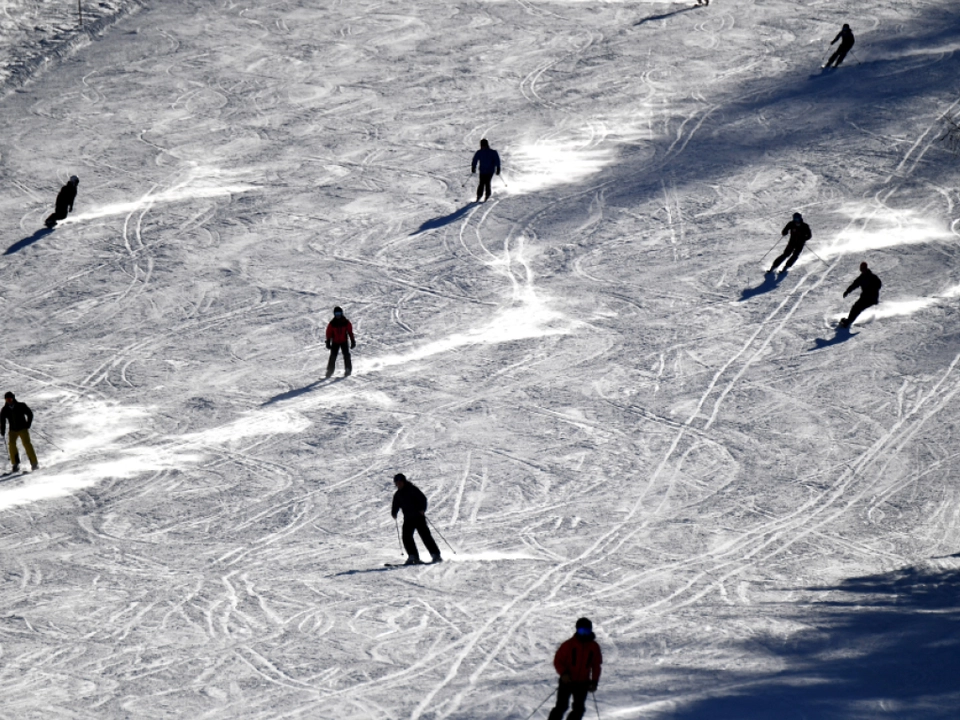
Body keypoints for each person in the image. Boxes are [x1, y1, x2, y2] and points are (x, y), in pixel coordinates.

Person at [547, 618, 603, 720]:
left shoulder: (594, 647)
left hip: (583, 683)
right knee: (561, 707)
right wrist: (563, 674)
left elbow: (596, 665)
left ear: (591, 631)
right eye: (581, 631)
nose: (584, 634)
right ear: (577, 630)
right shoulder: (568, 645)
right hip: (567, 681)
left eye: (587, 631)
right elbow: (558, 661)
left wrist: (594, 681)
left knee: (579, 709)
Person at [391, 473, 442, 565]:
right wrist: (394, 512)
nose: (399, 484)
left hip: (418, 517)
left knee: (425, 536)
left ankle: (436, 555)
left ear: (404, 481)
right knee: (406, 537)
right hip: (408, 519)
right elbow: (395, 504)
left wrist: (422, 509)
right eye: (397, 483)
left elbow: (423, 499)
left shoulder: (412, 489)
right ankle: (413, 556)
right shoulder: (398, 494)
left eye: (400, 482)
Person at [0, 392, 37, 472]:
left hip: (23, 428)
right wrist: (2, 430)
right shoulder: (5, 409)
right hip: (13, 430)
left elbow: (30, 414)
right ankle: (15, 464)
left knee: (27, 444)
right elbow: (2, 421)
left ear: (13, 398)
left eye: (10, 399)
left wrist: (28, 423)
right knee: (11, 445)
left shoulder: (21, 405)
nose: (9, 401)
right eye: (7, 399)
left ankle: (34, 463)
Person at [840, 261, 881, 328]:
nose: (862, 270)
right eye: (861, 269)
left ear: (866, 268)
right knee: (855, 307)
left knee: (858, 308)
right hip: (865, 297)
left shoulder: (872, 277)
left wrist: (873, 289)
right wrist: (847, 291)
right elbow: (854, 285)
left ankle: (849, 321)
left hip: (872, 298)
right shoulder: (861, 278)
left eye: (863, 269)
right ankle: (849, 320)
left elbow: (879, 284)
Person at [325, 306, 356, 378]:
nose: (338, 315)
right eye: (336, 313)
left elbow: (350, 332)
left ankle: (348, 369)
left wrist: (352, 340)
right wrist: (328, 341)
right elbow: (328, 332)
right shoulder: (332, 323)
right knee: (333, 356)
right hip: (335, 342)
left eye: (339, 313)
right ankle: (330, 370)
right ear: (334, 314)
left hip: (344, 341)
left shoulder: (346, 322)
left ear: (342, 313)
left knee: (346, 355)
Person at [471, 138, 501, 203]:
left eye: (483, 145)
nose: (482, 146)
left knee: (487, 182)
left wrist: (498, 168)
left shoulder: (492, 152)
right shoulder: (479, 152)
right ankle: (479, 195)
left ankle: (487, 194)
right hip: (482, 170)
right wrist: (473, 166)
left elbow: (497, 160)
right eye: (481, 145)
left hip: (490, 171)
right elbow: (475, 159)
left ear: (486, 145)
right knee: (481, 183)